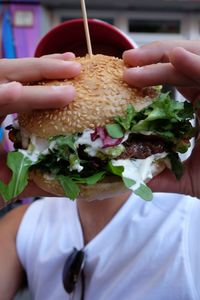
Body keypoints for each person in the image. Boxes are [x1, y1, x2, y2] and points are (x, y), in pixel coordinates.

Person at [1, 40, 200, 300]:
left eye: (115, 58)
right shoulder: (20, 226)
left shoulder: (191, 225)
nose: (86, 75)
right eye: (61, 71)